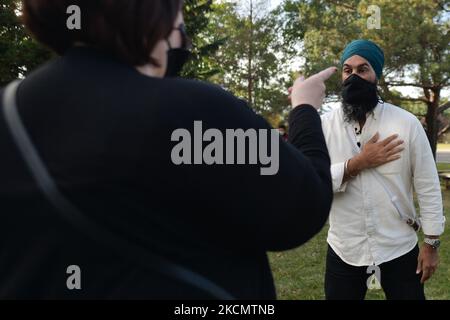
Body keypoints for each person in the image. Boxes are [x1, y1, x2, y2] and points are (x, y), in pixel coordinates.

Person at [0, 0, 335, 299]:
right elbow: (305, 205)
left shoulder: (10, 113)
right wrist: (304, 107)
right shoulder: (195, 113)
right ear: (153, 12)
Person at [321, 39, 446, 300]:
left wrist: (431, 243)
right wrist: (357, 163)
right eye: (348, 70)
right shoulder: (324, 126)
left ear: (376, 74)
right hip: (345, 249)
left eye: (362, 69)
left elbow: (427, 184)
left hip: (398, 248)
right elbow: (313, 178)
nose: (354, 76)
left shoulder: (406, 123)